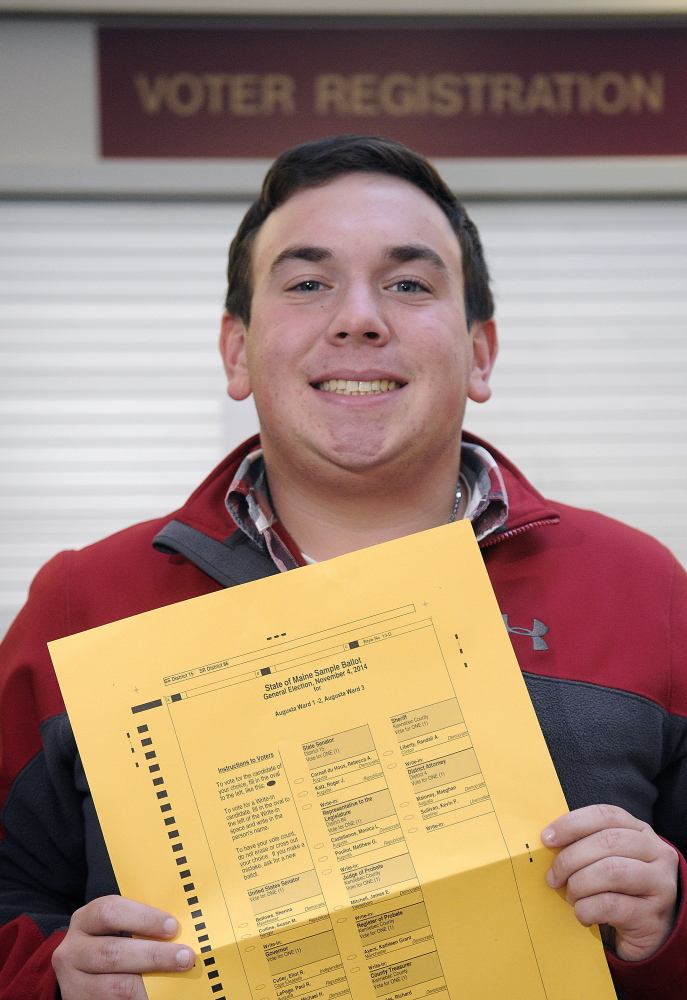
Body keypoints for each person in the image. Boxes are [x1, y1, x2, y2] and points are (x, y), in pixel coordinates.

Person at [0, 135, 684, 1000]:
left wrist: (667, 920)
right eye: (306, 283)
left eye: (408, 283)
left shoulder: (645, 588)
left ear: (480, 353)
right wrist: (53, 977)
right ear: (236, 350)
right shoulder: (81, 605)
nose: (357, 317)